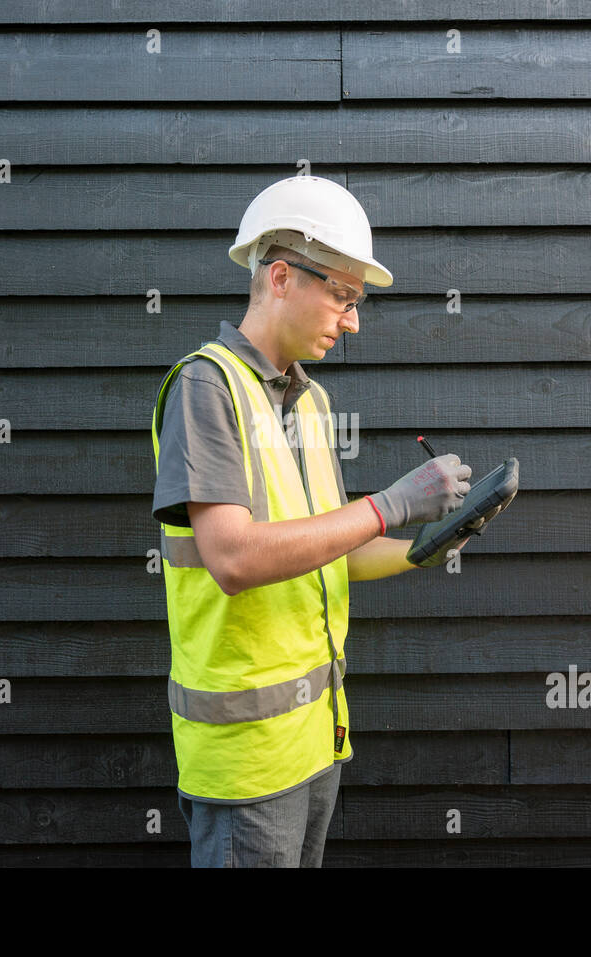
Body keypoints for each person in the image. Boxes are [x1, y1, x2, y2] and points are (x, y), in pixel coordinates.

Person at [150, 176, 477, 867]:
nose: (352, 319)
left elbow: (335, 550)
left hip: (315, 739)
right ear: (279, 277)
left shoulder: (311, 402)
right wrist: (390, 503)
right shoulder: (205, 387)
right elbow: (233, 558)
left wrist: (434, 539)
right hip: (246, 760)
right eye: (342, 294)